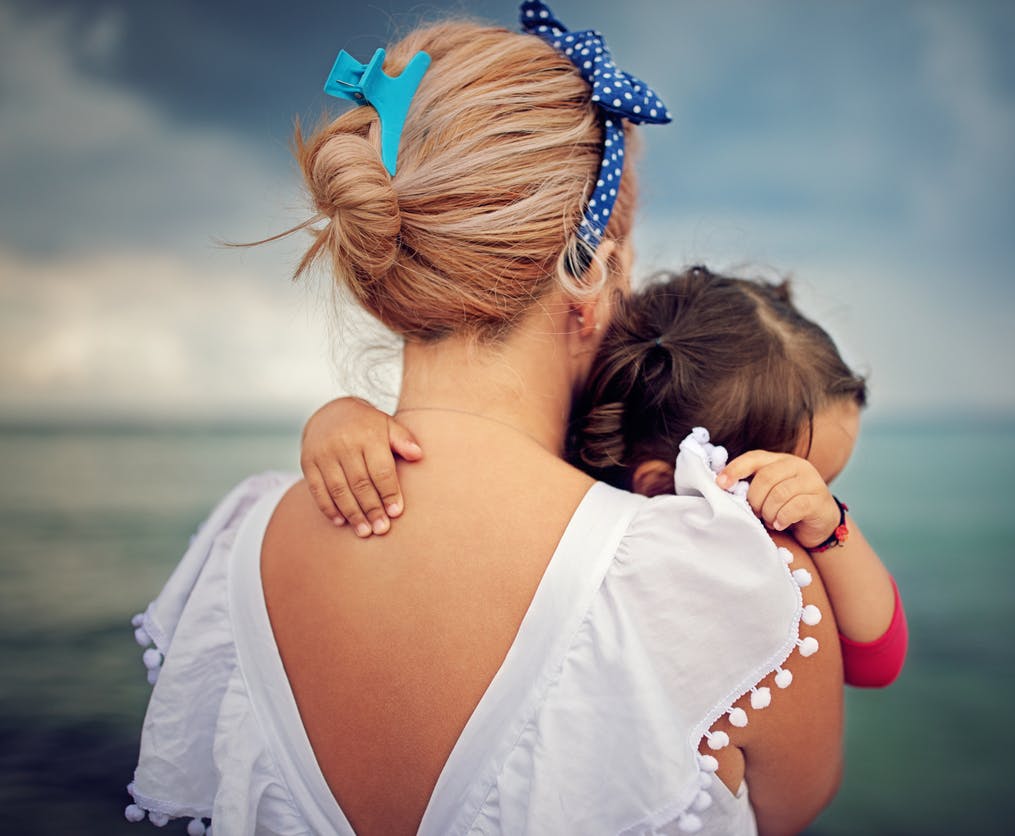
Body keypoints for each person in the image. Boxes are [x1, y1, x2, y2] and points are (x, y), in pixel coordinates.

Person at [124, 3, 846, 834]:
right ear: (595, 269)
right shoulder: (728, 586)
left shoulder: (238, 543)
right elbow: (793, 806)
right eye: (627, 264)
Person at [304, 267, 908, 689]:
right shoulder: (571, 510)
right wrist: (342, 424)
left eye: (824, 484)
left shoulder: (806, 533)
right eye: (793, 476)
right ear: (658, 485)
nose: (806, 498)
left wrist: (832, 529)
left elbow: (877, 659)